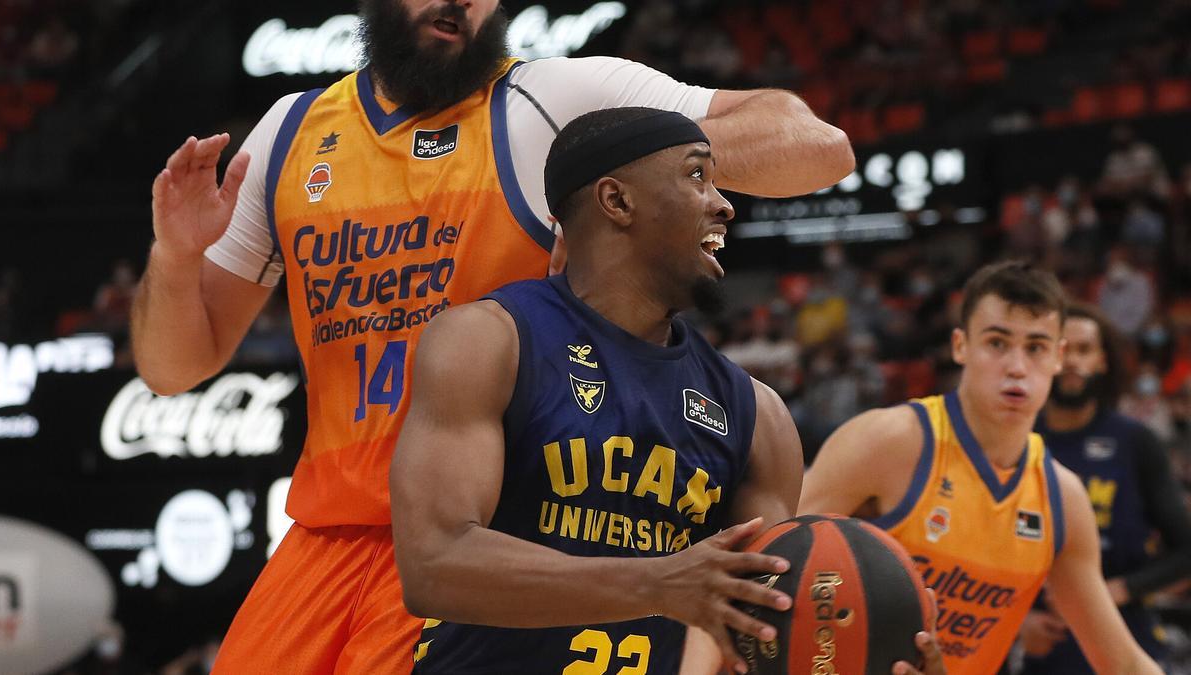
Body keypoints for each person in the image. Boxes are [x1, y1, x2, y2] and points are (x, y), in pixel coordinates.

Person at [129, 0, 855, 672]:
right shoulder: (291, 131)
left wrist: (631, 160)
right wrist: (177, 255)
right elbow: (173, 367)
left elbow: (816, 146)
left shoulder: (550, 101)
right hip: (323, 537)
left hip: (483, 533)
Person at [391, 106, 935, 675]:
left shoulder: (756, 414)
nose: (725, 204)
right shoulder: (489, 339)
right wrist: (657, 583)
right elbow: (435, 563)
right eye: (697, 176)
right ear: (618, 201)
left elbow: (764, 633)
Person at [798, 260, 1163, 675]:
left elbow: (1124, 663)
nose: (1017, 366)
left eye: (1036, 347)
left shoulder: (1062, 498)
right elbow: (777, 561)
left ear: (1059, 357)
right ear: (960, 346)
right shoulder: (887, 441)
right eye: (997, 342)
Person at [1019, 303, 1191, 673]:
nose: (1072, 362)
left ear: (1102, 360)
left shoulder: (1135, 441)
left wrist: (1120, 590)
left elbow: (1186, 549)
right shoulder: (1015, 440)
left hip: (1124, 637)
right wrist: (1018, 624)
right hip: (1041, 646)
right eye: (1062, 349)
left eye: (1084, 350)